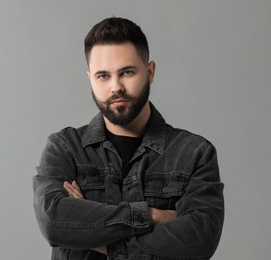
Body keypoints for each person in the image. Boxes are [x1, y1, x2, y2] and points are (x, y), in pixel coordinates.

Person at [33, 17, 224, 260]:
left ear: (150, 72)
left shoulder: (195, 153)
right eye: (103, 76)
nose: (116, 87)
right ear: (90, 78)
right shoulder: (65, 148)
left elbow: (200, 239)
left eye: (127, 72)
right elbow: (53, 222)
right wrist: (152, 216)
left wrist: (92, 232)